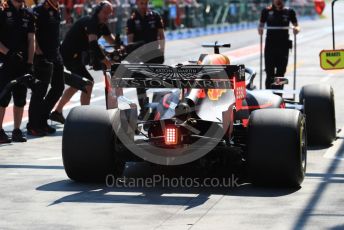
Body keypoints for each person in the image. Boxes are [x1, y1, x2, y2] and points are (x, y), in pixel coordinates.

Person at [50, 1, 117, 124]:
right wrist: (105, 60)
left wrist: (122, 46)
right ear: (98, 11)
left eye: (109, 13)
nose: (107, 15)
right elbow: (93, 44)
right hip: (69, 55)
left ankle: (57, 112)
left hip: (78, 56)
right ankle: (83, 119)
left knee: (78, 84)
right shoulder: (91, 22)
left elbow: (111, 40)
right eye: (105, 12)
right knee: (87, 84)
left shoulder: (102, 24)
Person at [27, 0, 64, 136]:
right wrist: (37, 51)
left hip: (55, 54)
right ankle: (33, 125)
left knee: (59, 87)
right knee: (39, 91)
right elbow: (33, 31)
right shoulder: (40, 9)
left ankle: (42, 120)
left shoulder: (56, 8)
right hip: (42, 55)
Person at [0, 0, 35, 143]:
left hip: (22, 63)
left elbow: (32, 39)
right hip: (5, 61)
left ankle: (16, 130)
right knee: (3, 97)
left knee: (20, 98)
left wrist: (30, 63)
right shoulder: (2, 10)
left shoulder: (28, 13)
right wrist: (8, 53)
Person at [126, 0, 165, 120]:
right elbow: (130, 41)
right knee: (140, 83)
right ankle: (144, 109)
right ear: (137, 4)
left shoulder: (155, 16)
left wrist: (162, 51)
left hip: (154, 55)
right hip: (139, 57)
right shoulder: (132, 19)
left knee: (157, 82)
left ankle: (155, 110)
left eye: (145, 3)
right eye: (141, 3)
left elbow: (161, 36)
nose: (143, 6)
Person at [258, 0, 300, 89]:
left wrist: (296, 29)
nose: (278, 1)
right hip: (270, 46)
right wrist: (260, 29)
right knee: (269, 72)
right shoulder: (266, 11)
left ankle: (278, 95)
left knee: (281, 72)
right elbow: (261, 25)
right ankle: (268, 95)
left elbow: (297, 26)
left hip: (283, 45)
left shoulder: (289, 11)